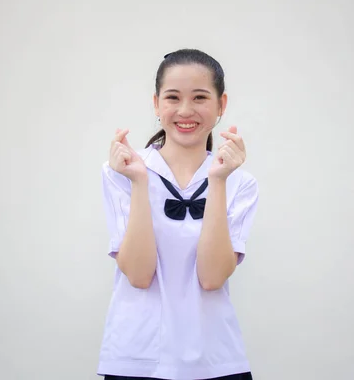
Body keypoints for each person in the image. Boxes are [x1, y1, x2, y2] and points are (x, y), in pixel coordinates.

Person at [97, 49, 259, 380]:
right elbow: (139, 275)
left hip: (216, 359)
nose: (185, 110)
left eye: (200, 97)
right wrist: (140, 182)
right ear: (157, 104)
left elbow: (213, 278)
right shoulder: (121, 172)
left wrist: (218, 180)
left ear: (221, 105)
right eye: (173, 97)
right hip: (136, 357)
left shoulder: (240, 182)